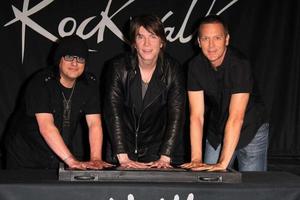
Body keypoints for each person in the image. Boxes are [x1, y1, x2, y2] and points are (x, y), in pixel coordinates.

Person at [4, 35, 112, 169]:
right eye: (69, 57)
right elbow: (47, 127)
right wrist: (71, 161)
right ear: (59, 59)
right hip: (25, 154)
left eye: (80, 59)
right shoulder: (41, 82)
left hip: (57, 153)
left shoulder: (89, 84)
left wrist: (96, 159)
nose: (74, 63)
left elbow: (94, 124)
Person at [181, 15, 269, 171]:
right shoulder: (195, 66)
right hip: (218, 128)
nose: (211, 45)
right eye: (206, 39)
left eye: (217, 38)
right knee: (208, 181)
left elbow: (236, 117)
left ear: (227, 39)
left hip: (250, 126)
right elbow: (196, 116)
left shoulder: (239, 65)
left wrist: (222, 163)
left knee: (250, 188)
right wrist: (196, 158)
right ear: (199, 42)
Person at [103, 14, 186, 168]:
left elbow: (177, 114)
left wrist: (165, 156)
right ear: (134, 42)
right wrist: (123, 156)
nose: (147, 43)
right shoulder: (118, 67)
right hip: (121, 149)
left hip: (158, 150)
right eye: (140, 37)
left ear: (161, 42)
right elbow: (113, 112)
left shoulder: (173, 70)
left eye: (153, 36)